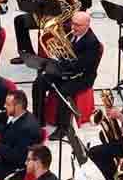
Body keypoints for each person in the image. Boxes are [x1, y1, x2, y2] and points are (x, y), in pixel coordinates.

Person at [31, 11, 101, 139]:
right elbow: (63, 54)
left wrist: (58, 66)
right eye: (73, 23)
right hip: (64, 69)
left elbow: (80, 66)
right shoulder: (70, 32)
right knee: (39, 81)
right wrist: (55, 62)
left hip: (82, 76)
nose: (73, 27)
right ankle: (38, 118)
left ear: (87, 25)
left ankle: (62, 128)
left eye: (78, 25)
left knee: (63, 91)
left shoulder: (92, 43)